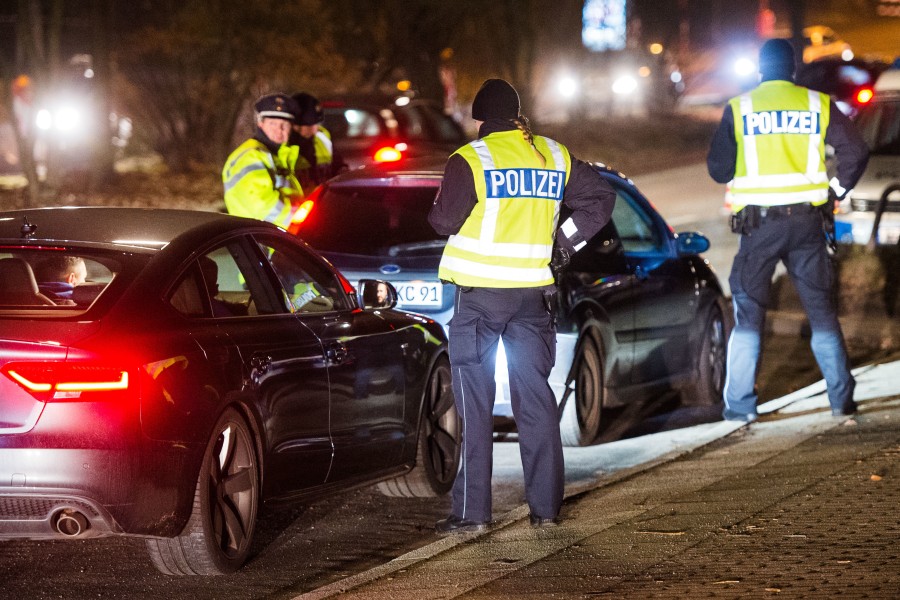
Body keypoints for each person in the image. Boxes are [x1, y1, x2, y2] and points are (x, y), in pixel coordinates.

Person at [428, 78, 616, 534]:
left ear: (480, 122)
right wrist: (563, 246)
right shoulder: (553, 155)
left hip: (479, 300)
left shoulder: (471, 159)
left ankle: (474, 515)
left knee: (475, 406)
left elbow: (442, 221)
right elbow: (600, 200)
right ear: (517, 117)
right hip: (533, 299)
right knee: (536, 402)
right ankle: (547, 510)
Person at [707, 38, 869, 422]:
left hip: (759, 227)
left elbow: (719, 170)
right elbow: (857, 152)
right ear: (793, 68)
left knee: (748, 315)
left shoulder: (740, 108)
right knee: (822, 313)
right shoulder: (817, 104)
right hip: (807, 224)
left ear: (761, 69)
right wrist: (835, 191)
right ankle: (840, 402)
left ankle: (740, 407)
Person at [223, 93, 305, 228]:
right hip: (262, 241)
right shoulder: (251, 156)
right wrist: (304, 220)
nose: (279, 130)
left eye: (284, 124)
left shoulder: (279, 154)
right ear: (260, 124)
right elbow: (264, 207)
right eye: (272, 123)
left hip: (273, 236)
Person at [289, 92, 346, 192]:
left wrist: (343, 172)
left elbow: (338, 165)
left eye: (317, 123)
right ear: (295, 125)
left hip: (324, 202)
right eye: (309, 125)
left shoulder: (323, 137)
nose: (315, 129)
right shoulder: (284, 147)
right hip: (299, 205)